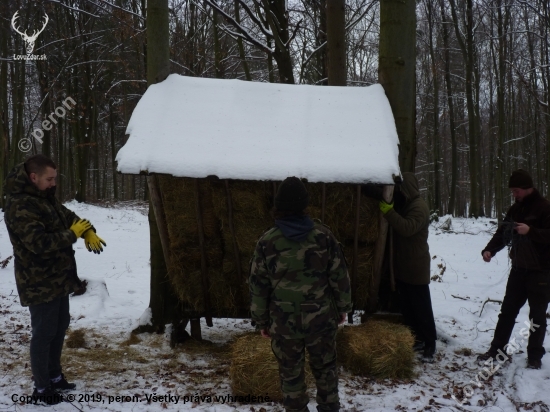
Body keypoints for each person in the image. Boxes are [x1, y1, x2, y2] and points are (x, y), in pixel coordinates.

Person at [3, 154, 107, 404]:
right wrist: (72, 235)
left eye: (55, 178)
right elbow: (38, 243)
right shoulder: (20, 205)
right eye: (49, 179)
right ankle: (41, 389)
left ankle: (54, 376)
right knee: (44, 333)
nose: (53, 183)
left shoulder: (44, 199)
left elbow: (68, 216)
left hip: (58, 278)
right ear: (33, 177)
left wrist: (87, 230)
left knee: (59, 327)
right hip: (37, 281)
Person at [249, 177, 352, 412]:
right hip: (321, 318)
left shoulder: (267, 241)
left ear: (278, 206)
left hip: (284, 323)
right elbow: (339, 275)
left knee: (290, 373)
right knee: (326, 368)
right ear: (305, 204)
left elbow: (258, 285)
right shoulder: (324, 236)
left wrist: (262, 320)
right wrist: (343, 307)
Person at [477, 169, 550, 370]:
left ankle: (535, 356)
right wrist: (489, 250)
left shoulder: (544, 208)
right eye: (512, 191)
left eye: (517, 191)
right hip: (518, 269)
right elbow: (503, 233)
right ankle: (496, 350)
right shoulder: (515, 209)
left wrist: (531, 231)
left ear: (528, 189)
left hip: (541, 271)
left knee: (537, 316)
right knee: (507, 311)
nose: (514, 194)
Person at [369, 172, 437, 361]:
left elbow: (407, 228)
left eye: (401, 188)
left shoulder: (419, 207)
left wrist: (388, 212)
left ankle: (430, 345)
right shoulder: (408, 204)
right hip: (404, 267)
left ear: (408, 188)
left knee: (422, 308)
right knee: (408, 307)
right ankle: (418, 339)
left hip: (416, 267)